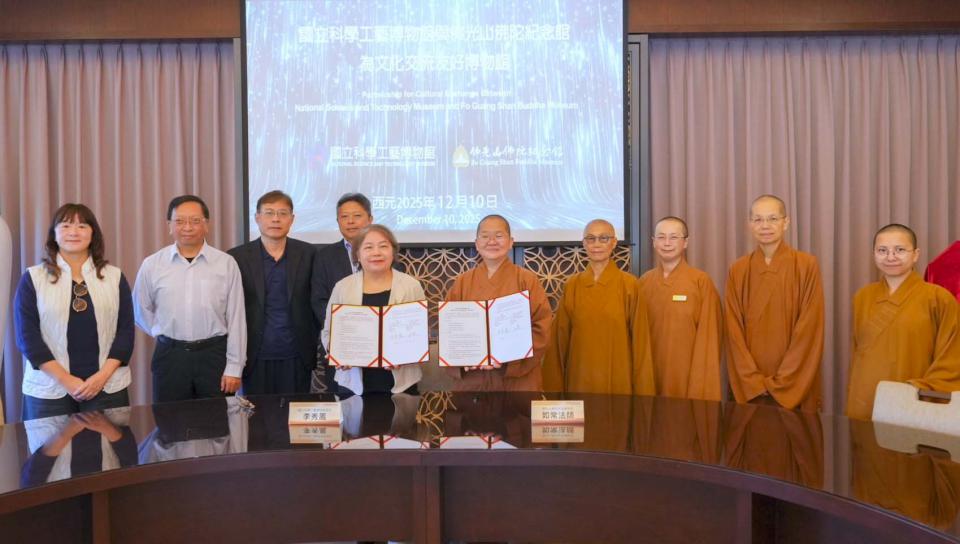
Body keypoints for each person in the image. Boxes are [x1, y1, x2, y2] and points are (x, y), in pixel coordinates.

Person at [14, 204, 134, 420]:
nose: (74, 232)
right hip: (49, 390)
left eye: (82, 226)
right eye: (66, 225)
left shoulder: (114, 277)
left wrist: (100, 378)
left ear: (93, 233)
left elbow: (126, 333)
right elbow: (27, 338)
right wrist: (67, 381)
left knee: (111, 442)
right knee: (50, 442)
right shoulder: (33, 278)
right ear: (54, 234)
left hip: (106, 386)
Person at [133, 195, 246, 402]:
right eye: (180, 221)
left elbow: (237, 319)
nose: (187, 227)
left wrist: (234, 367)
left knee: (217, 419)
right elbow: (140, 309)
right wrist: (161, 331)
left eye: (195, 221)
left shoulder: (226, 263)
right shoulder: (152, 265)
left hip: (214, 356)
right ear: (169, 225)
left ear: (206, 225)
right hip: (170, 357)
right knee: (169, 419)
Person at [845, 224, 960, 420]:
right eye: (882, 250)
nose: (891, 257)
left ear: (915, 254)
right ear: (874, 254)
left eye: (899, 250)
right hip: (864, 398)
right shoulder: (863, 297)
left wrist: (915, 390)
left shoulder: (938, 298)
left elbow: (952, 358)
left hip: (912, 402)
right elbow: (859, 355)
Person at [725, 195, 824, 411]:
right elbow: (733, 331)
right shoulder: (738, 270)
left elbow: (809, 329)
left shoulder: (806, 265)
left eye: (772, 219)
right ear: (750, 224)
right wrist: (752, 381)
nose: (765, 226)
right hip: (749, 384)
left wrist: (785, 381)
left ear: (785, 222)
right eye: (758, 220)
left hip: (795, 381)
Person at [542, 219, 654, 395]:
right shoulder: (573, 285)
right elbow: (559, 341)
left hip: (619, 379)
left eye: (604, 238)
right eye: (591, 238)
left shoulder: (629, 285)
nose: (596, 244)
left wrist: (643, 393)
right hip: (579, 378)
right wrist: (554, 390)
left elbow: (641, 344)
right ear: (584, 243)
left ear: (614, 242)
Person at [443, 215, 552, 392]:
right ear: (477, 243)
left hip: (516, 382)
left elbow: (542, 328)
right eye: (485, 236)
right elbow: (449, 330)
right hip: (473, 381)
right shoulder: (462, 282)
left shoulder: (527, 280)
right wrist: (463, 359)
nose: (492, 241)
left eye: (499, 236)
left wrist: (509, 362)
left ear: (511, 242)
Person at [228, 190, 319, 395]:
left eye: (282, 213)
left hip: (297, 354)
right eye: (269, 213)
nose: (276, 219)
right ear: (257, 218)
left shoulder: (309, 254)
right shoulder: (236, 257)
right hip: (254, 355)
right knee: (256, 413)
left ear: (292, 219)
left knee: (295, 412)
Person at [320, 224, 425, 396]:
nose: (376, 253)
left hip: (401, 381)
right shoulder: (343, 287)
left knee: (401, 415)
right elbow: (328, 331)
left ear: (393, 252)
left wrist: (405, 355)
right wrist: (337, 353)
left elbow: (419, 334)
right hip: (352, 381)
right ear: (357, 254)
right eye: (368, 247)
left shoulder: (411, 286)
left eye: (383, 246)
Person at [638, 216, 723, 400]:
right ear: (653, 242)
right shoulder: (643, 283)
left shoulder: (700, 282)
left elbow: (710, 340)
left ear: (685, 242)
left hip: (687, 375)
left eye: (674, 237)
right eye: (661, 237)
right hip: (651, 374)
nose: (667, 243)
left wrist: (701, 382)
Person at [312, 193, 375, 391]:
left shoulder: (383, 254)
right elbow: (319, 301)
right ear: (338, 221)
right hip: (341, 347)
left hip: (379, 348)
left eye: (357, 216)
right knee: (343, 403)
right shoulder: (324, 256)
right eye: (344, 216)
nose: (350, 221)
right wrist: (346, 333)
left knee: (382, 406)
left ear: (370, 219)